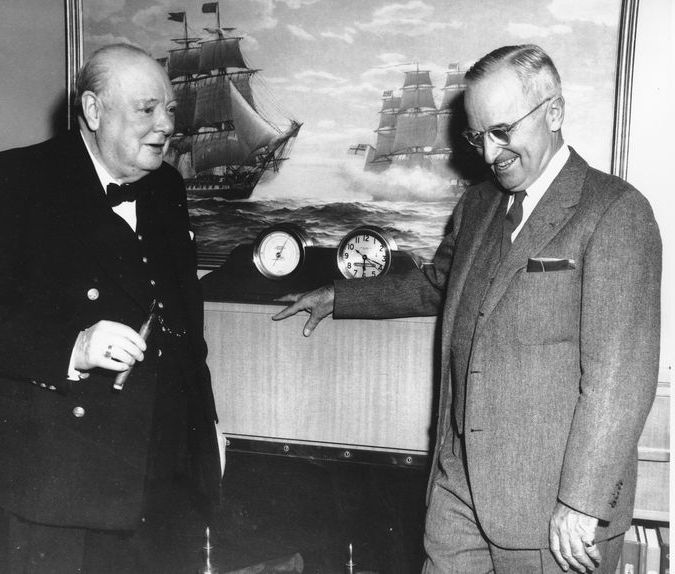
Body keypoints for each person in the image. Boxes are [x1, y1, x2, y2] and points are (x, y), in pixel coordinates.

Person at [273, 44, 661, 574]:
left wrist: (582, 503)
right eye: (478, 136)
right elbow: (439, 282)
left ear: (554, 111)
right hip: (457, 490)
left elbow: (619, 380)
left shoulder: (615, 211)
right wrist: (341, 296)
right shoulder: (478, 204)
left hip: (554, 512)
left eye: (503, 131)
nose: (489, 153)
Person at [0, 43, 225, 573]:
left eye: (169, 109)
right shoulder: (14, 180)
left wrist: (205, 426)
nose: (165, 124)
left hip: (167, 470)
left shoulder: (167, 185)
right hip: (63, 480)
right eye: (146, 109)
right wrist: (72, 347)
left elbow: (186, 326)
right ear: (94, 110)